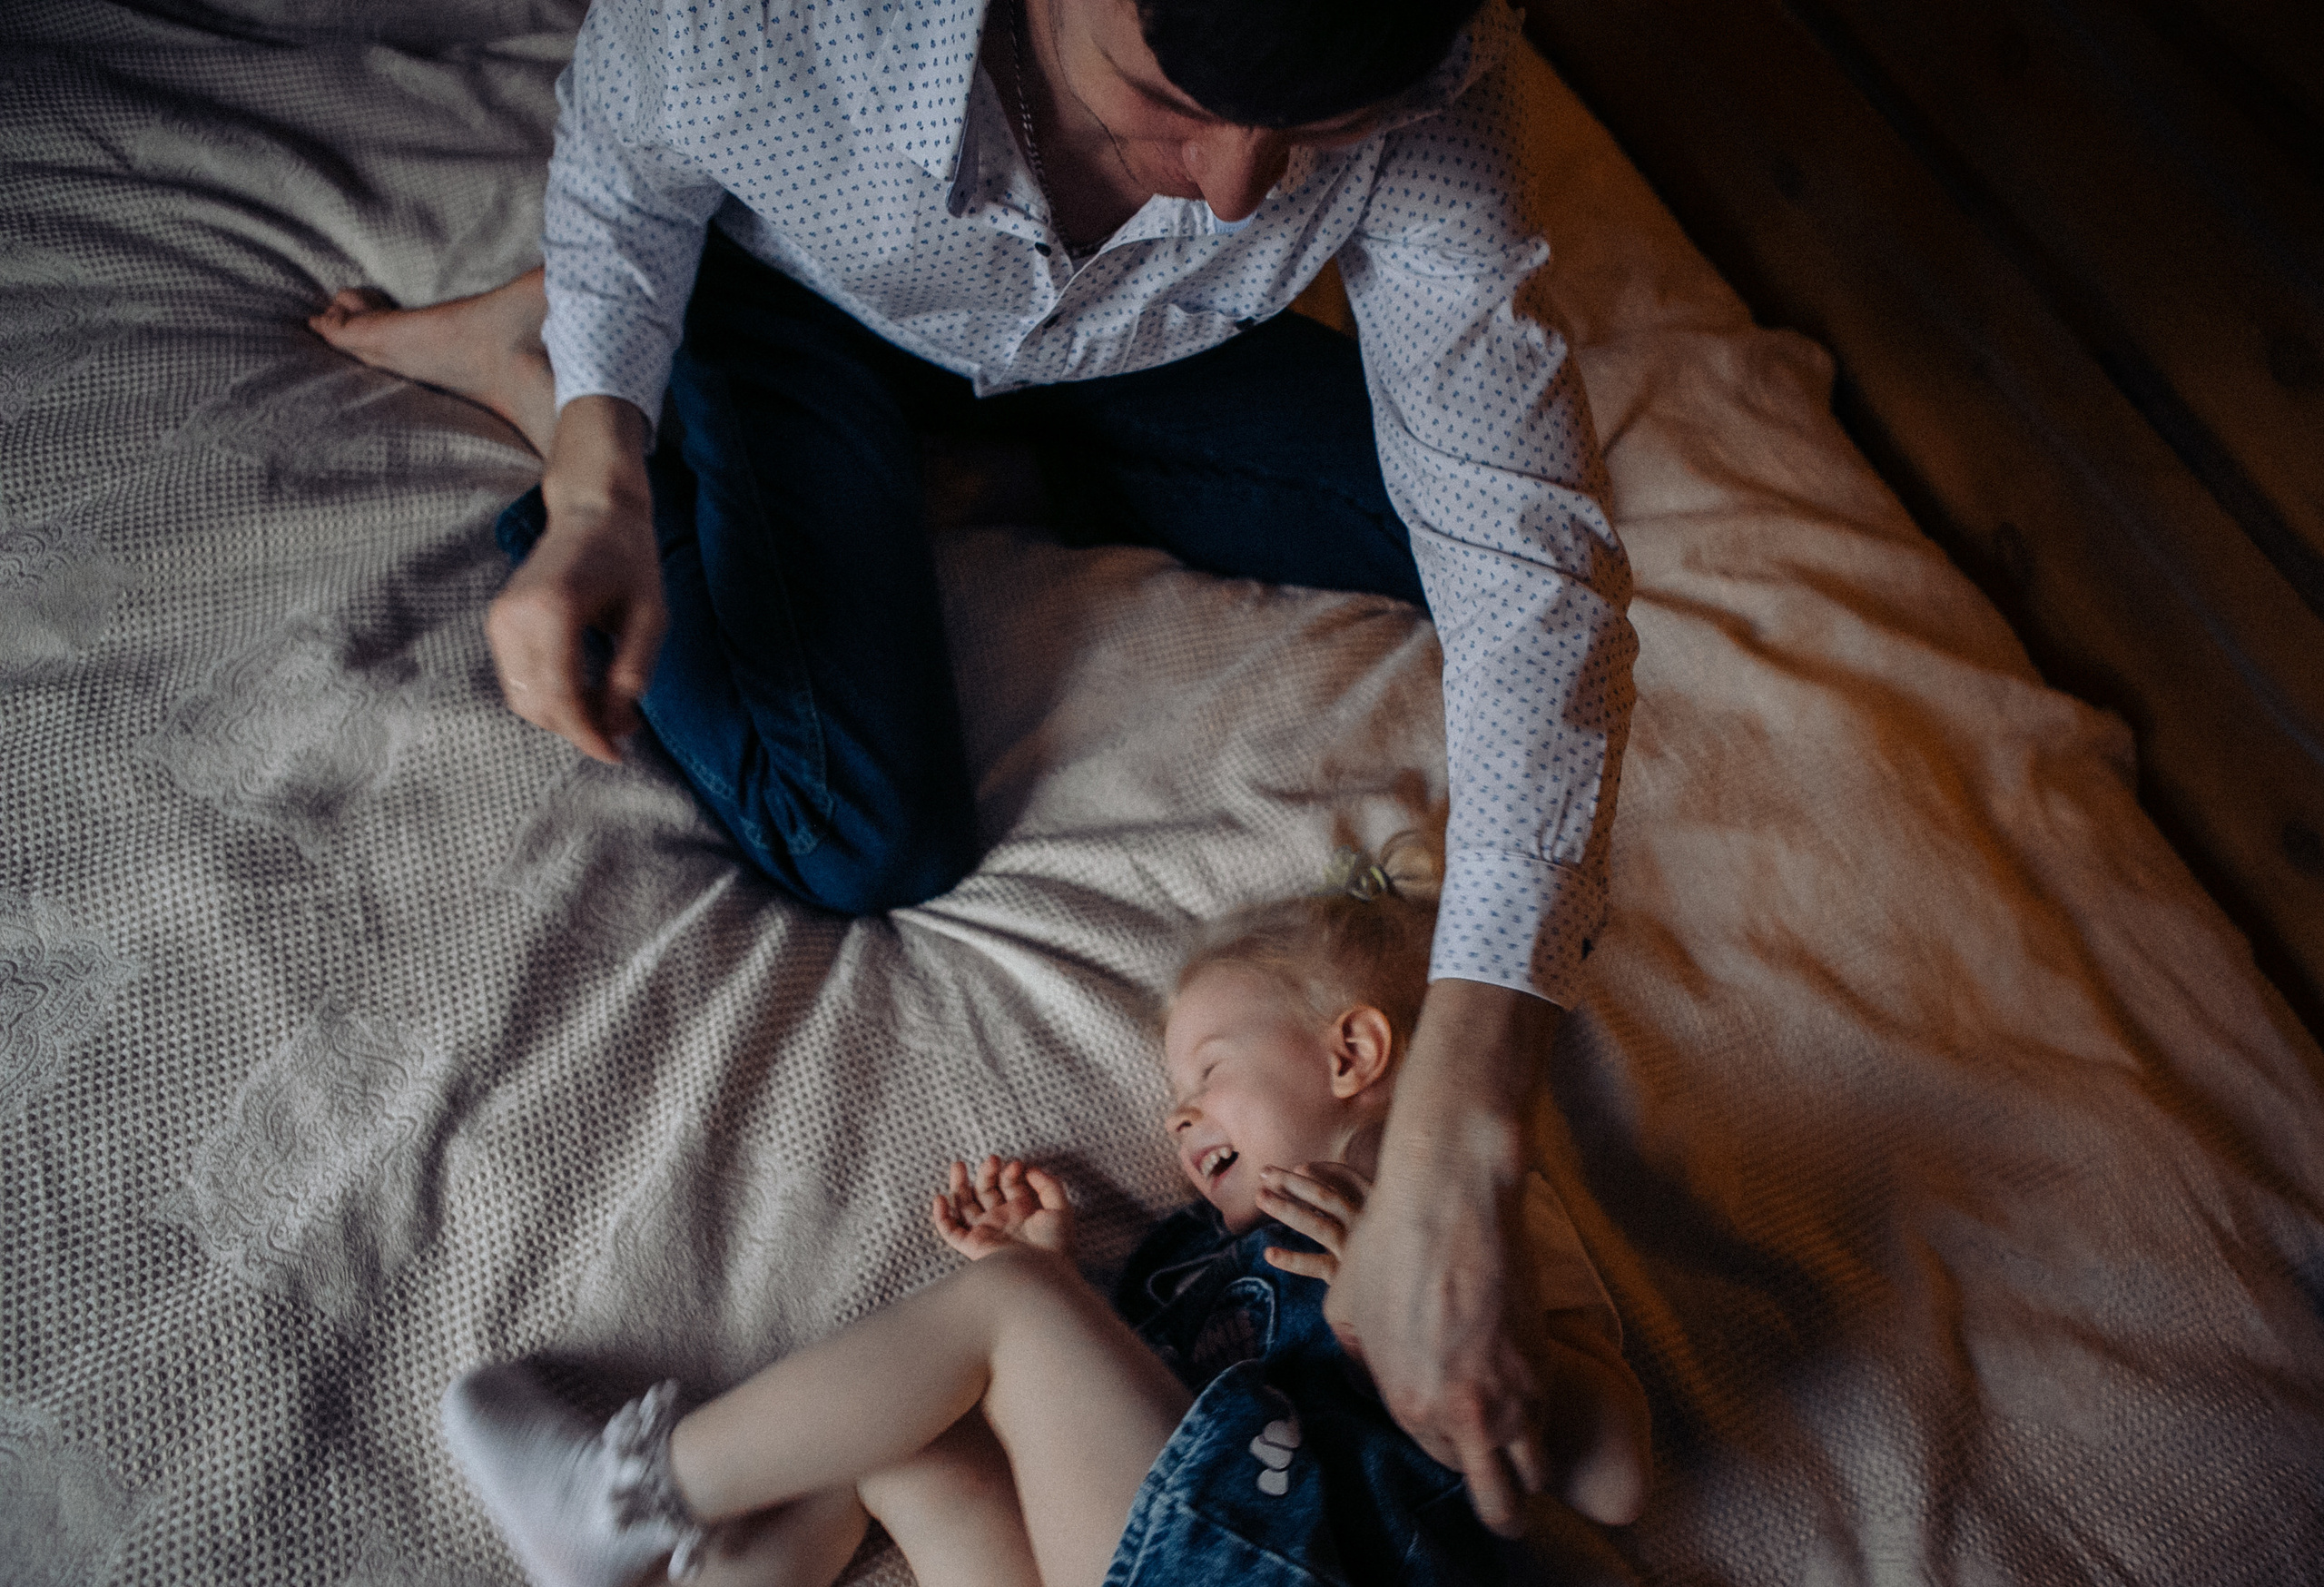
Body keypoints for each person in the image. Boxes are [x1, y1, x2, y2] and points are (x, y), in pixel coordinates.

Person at [314, 0, 1638, 1532]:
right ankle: (572, 367)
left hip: (1123, 340)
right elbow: (624, 148)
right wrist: (595, 485)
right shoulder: (776, 27)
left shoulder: (1429, 55)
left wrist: (1472, 1137)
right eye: (1163, 99)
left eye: (1316, 141)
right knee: (858, 830)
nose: (1235, 194)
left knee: (1442, 527)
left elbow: (1528, 564)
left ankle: (913, 449)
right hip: (801, 294)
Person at [441, 853, 1650, 1586]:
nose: (1179, 1120)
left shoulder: (1469, 1218)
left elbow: (1616, 1480)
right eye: (1177, 1100)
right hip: (1171, 1549)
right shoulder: (1192, 1263)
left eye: (1211, 1071)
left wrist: (1440, 1332)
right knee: (912, 1443)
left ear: (1352, 1051)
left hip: (1300, 1561)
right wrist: (1058, 1286)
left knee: (1007, 1316)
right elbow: (1105, 1448)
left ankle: (617, 1500)